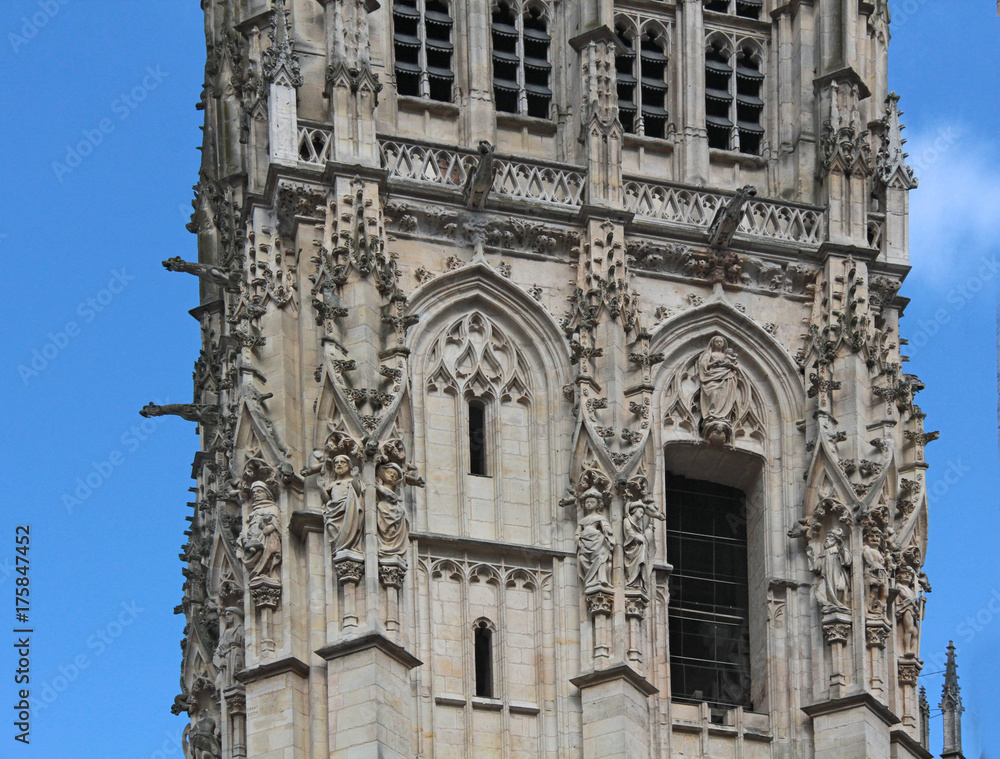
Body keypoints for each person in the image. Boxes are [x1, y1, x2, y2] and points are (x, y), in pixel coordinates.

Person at [321, 454, 364, 554]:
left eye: (342, 462)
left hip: (349, 509)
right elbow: (327, 500)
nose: (339, 464)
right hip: (334, 512)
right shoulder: (332, 484)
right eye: (336, 463)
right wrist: (321, 488)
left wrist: (354, 478)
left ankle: (348, 546)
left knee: (349, 528)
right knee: (331, 527)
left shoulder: (351, 481)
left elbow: (358, 492)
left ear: (349, 466)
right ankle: (339, 547)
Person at [576, 488, 614, 592]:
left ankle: (601, 579)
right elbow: (578, 533)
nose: (589, 504)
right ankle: (590, 581)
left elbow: (606, 529)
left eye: (592, 502)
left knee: (601, 558)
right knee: (583, 559)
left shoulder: (600, 518)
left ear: (598, 504)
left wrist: (609, 542)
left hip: (598, 542)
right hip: (584, 544)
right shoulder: (583, 520)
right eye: (587, 502)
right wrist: (578, 539)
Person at [375, 462, 409, 555]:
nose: (392, 475)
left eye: (395, 475)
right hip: (384, 509)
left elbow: (393, 497)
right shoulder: (379, 488)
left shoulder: (385, 490)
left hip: (394, 510)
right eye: (389, 472)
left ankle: (389, 545)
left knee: (392, 529)